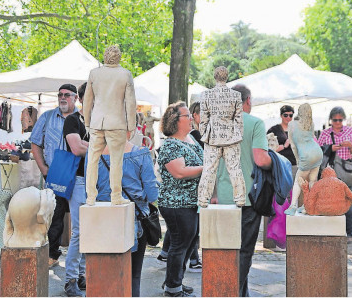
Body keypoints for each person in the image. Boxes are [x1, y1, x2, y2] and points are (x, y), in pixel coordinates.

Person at [215, 84, 272, 297]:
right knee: (245, 250)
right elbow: (260, 159)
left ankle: (240, 292)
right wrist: (274, 160)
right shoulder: (255, 123)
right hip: (248, 196)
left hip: (223, 196)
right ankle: (233, 292)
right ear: (248, 100)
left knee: (227, 249)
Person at [89, 131, 158, 297]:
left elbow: (89, 192)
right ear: (129, 130)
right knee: (133, 275)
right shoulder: (141, 154)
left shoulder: (94, 156)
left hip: (103, 222)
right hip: (134, 220)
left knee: (105, 274)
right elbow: (152, 195)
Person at [157, 101, 204, 297]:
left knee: (188, 242)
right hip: (176, 203)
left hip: (190, 202)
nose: (192, 119)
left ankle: (174, 281)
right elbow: (180, 172)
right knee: (179, 244)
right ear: (175, 121)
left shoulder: (189, 140)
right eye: (187, 116)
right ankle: (173, 288)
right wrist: (207, 168)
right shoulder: (170, 144)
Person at [83, 45, 137, 206]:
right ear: (119, 57)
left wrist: (87, 121)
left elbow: (87, 100)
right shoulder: (125, 75)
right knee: (116, 161)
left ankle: (90, 197)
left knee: (92, 160)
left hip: (97, 123)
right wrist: (131, 125)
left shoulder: (94, 73)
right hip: (117, 123)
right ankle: (116, 195)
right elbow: (130, 103)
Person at [30, 83, 77, 268]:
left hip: (77, 173)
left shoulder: (82, 118)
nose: (62, 98)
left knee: (79, 214)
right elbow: (35, 143)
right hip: (54, 173)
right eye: (60, 95)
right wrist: (43, 168)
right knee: (54, 215)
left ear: (75, 98)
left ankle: (81, 260)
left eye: (67, 95)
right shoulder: (47, 117)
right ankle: (53, 254)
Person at [198, 66, 246, 208]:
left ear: (215, 77)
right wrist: (238, 135)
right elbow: (239, 120)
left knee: (209, 169)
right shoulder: (236, 95)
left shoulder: (206, 95)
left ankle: (203, 199)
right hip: (231, 137)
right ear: (227, 77)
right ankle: (240, 198)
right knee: (235, 168)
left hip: (212, 137)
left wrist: (204, 134)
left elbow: (203, 119)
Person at [63, 82, 90, 297]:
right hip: (79, 179)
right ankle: (70, 279)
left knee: (89, 231)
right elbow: (76, 147)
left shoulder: (99, 122)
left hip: (98, 182)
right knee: (79, 231)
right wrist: (101, 147)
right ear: (81, 99)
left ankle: (81, 275)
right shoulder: (73, 120)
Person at [317, 106, 352, 243]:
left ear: (344, 120)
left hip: (347, 171)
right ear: (331, 120)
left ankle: (349, 233)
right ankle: (332, 231)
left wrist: (351, 146)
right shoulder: (325, 134)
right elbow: (317, 153)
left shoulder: (351, 132)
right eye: (335, 120)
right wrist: (330, 148)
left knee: (350, 204)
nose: (337, 122)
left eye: (340, 120)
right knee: (330, 203)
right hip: (331, 173)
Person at [267, 105, 297, 172]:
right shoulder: (273, 130)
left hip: (295, 165)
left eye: (291, 115)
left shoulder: (296, 129)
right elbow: (268, 150)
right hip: (279, 165)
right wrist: (284, 146)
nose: (288, 117)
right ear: (281, 115)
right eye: (285, 115)